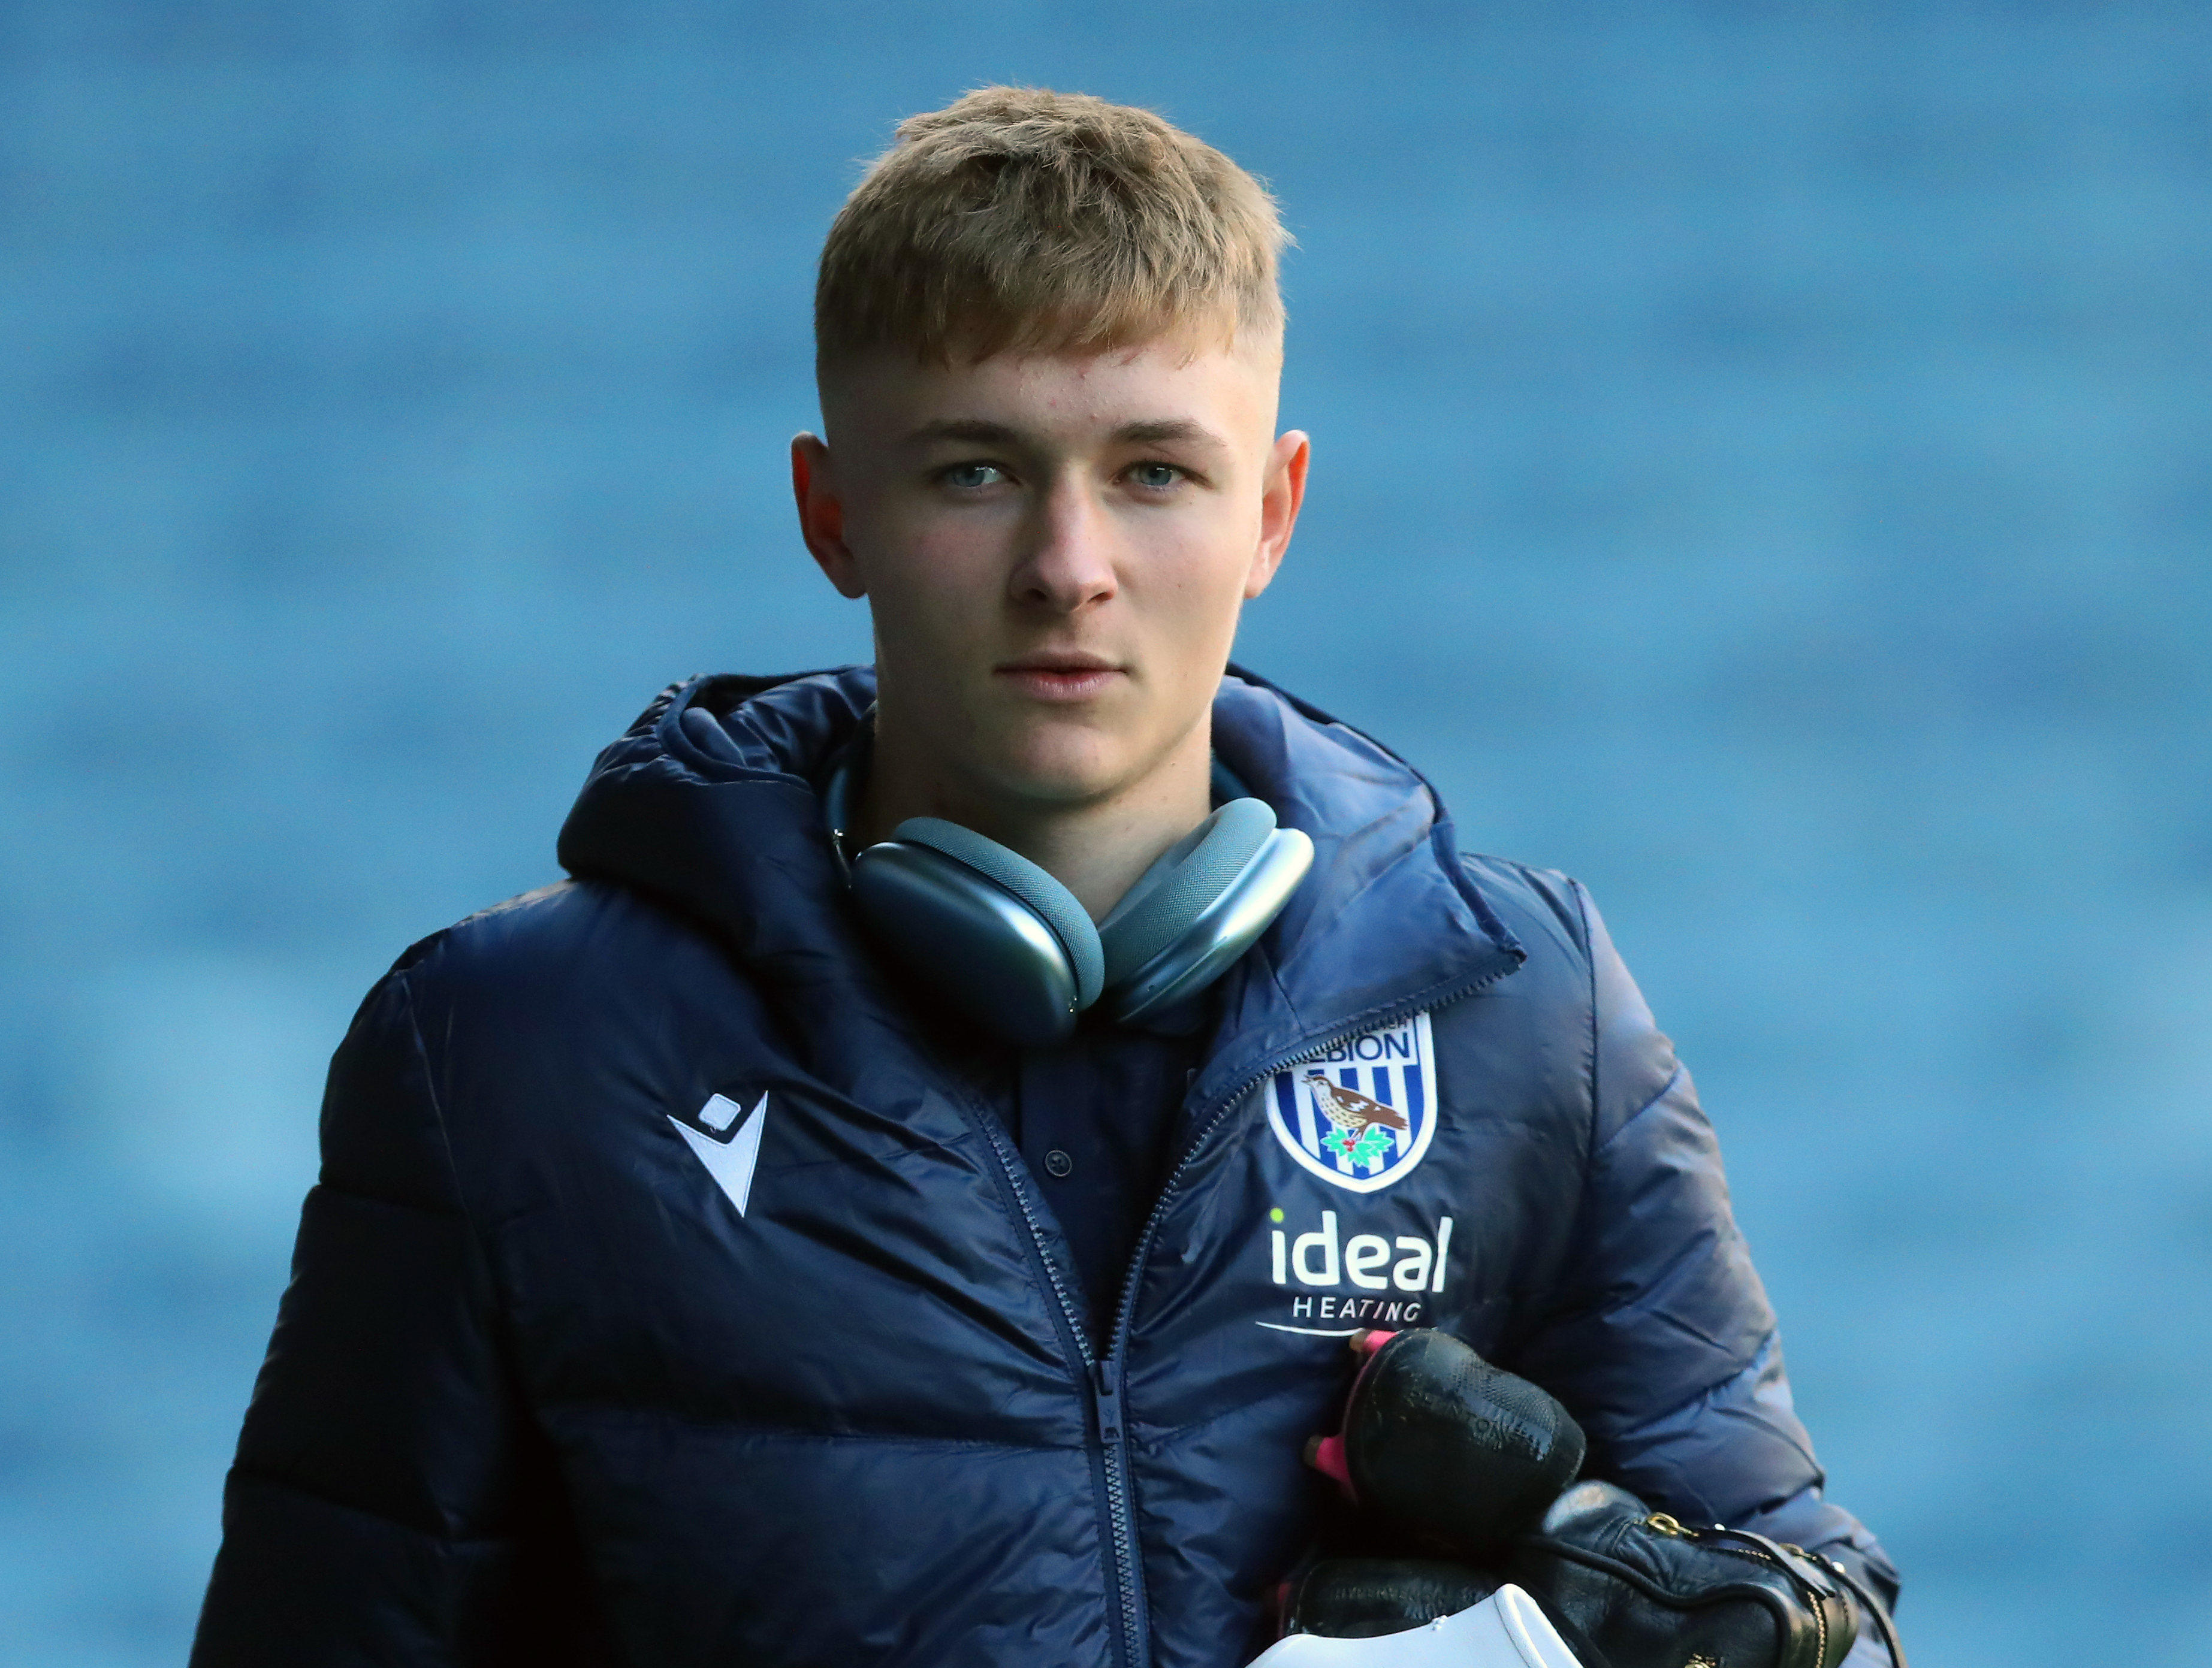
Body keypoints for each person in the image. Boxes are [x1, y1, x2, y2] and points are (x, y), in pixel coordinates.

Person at [188, 86, 1899, 1667]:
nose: (1068, 569)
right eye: (976, 472)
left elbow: (1824, 1619)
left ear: (1275, 512)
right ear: (831, 512)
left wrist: (1606, 1591)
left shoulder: (1523, 1005)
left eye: (1156, 471)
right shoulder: (509, 1051)